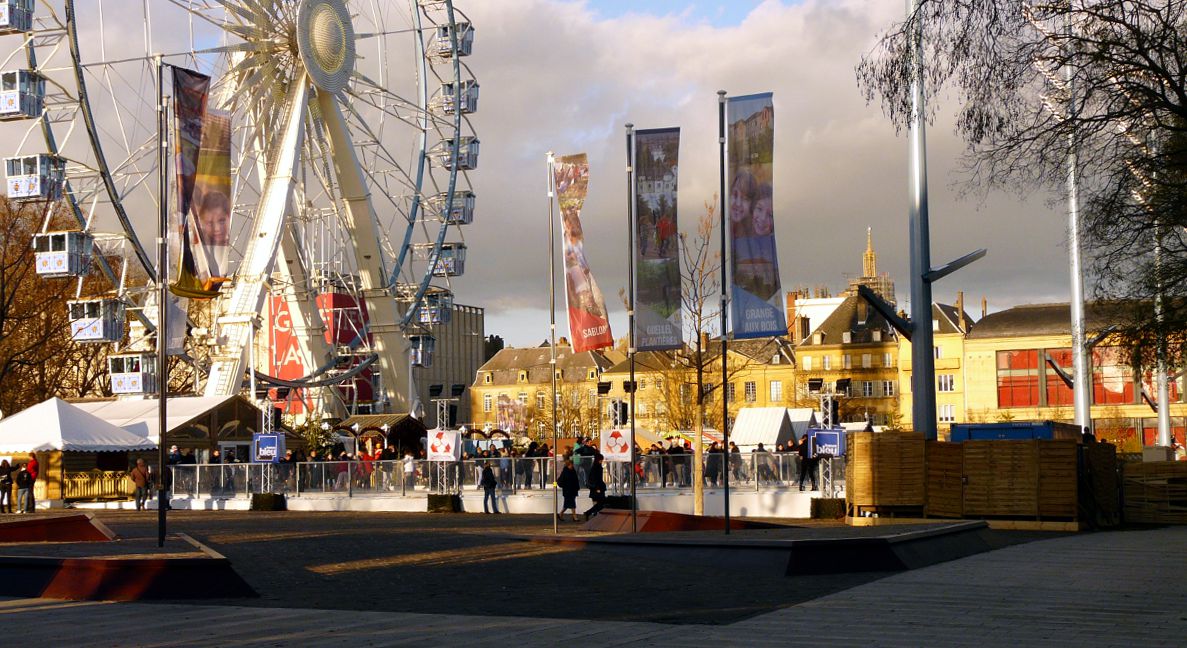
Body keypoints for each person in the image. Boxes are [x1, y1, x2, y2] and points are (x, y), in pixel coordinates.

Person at [583, 453, 607, 521]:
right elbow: (596, 479)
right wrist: (597, 488)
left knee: (598, 503)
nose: (601, 461)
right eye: (601, 460)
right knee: (601, 503)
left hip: (596, 488)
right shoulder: (596, 468)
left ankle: (590, 513)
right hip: (597, 488)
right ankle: (590, 513)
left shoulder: (595, 467)